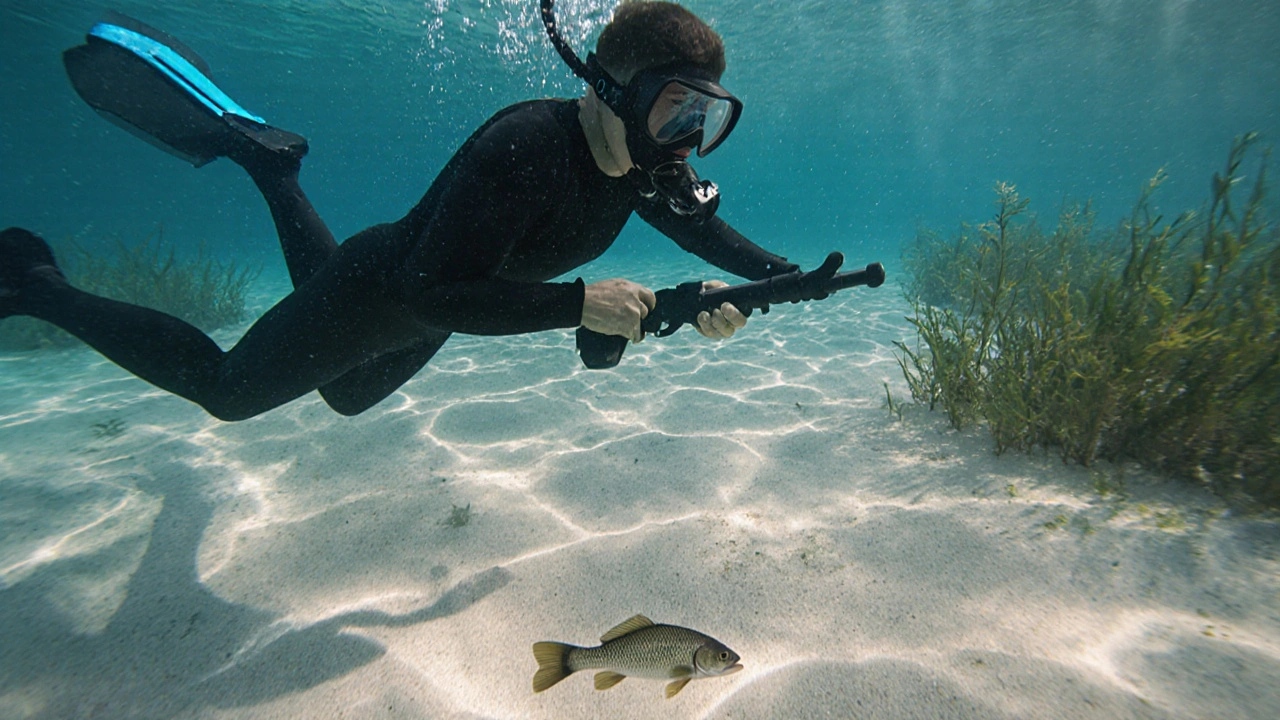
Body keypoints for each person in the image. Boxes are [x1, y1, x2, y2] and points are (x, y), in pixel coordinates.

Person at [0, 1, 799, 421]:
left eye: (706, 118)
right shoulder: (524, 148)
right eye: (674, 112)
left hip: (441, 307)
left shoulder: (636, 165)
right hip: (388, 288)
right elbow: (429, 291)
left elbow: (702, 230)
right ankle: (37, 284)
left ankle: (272, 166)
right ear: (608, 91)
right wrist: (580, 304)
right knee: (228, 391)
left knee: (345, 396)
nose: (687, 142)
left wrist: (782, 279)